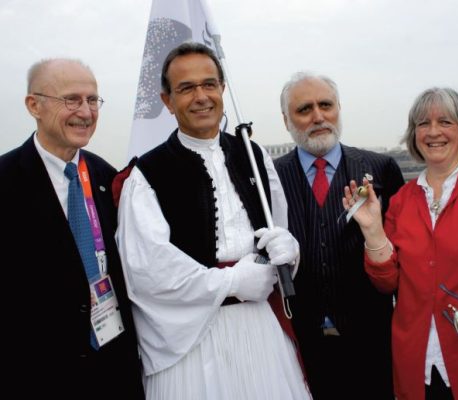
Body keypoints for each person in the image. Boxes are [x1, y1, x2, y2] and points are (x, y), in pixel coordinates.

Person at [115, 42, 311, 399]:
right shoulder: (148, 174)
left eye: (209, 84)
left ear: (222, 88)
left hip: (262, 333)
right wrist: (232, 281)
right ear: (167, 101)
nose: (201, 96)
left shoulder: (254, 156)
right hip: (193, 343)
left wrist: (288, 250)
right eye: (186, 88)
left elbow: (276, 231)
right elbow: (147, 271)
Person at [343, 87, 458, 400]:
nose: (433, 132)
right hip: (417, 363)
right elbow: (388, 283)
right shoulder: (402, 200)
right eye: (422, 124)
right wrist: (373, 230)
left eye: (445, 122)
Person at [0, 59, 144, 399]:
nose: (86, 111)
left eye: (93, 100)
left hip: (115, 371)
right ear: (34, 105)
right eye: (72, 99)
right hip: (37, 375)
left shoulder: (110, 179)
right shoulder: (6, 182)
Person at [274, 71, 405, 399]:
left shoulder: (381, 168)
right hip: (299, 342)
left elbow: (403, 253)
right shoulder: (269, 177)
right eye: (305, 109)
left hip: (372, 340)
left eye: (326, 105)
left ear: (338, 108)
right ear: (286, 119)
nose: (318, 117)